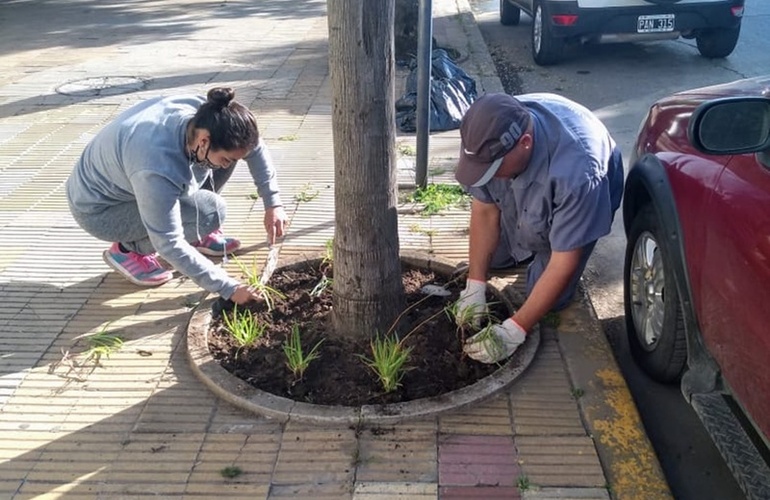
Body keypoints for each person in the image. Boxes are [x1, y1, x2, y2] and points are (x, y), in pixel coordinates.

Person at [66, 87, 288, 305]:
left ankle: (197, 226)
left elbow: (253, 147)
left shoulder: (210, 114)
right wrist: (228, 288)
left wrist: (273, 203)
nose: (230, 163)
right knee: (212, 211)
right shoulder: (156, 166)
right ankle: (126, 249)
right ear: (203, 141)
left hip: (134, 181)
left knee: (224, 161)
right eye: (226, 158)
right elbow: (169, 242)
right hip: (101, 210)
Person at [454, 92, 624, 364]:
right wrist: (475, 286)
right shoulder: (482, 139)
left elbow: (563, 261)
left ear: (525, 143)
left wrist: (515, 328)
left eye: (493, 169)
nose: (487, 176)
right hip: (530, 171)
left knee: (548, 297)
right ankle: (527, 234)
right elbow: (485, 211)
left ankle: (546, 235)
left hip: (584, 191)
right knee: (493, 259)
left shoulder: (579, 175)